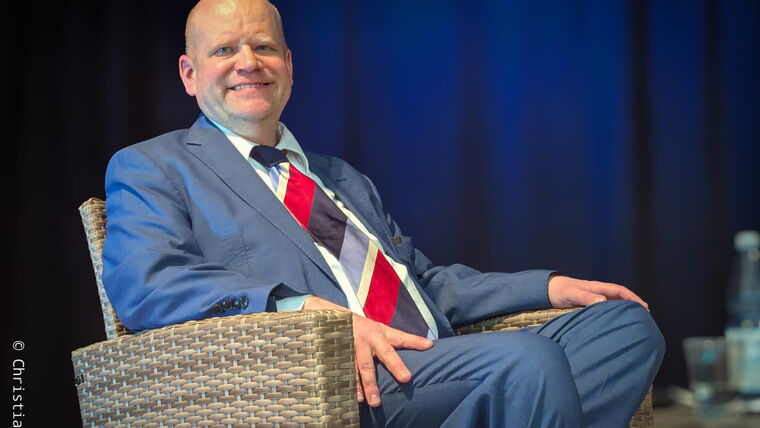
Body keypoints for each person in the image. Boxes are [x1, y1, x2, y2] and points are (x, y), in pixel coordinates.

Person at [102, 0, 665, 426]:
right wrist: (305, 311)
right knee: (526, 361)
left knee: (624, 329)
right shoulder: (154, 166)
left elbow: (423, 285)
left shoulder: (338, 176)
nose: (248, 62)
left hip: (438, 358)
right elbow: (150, 283)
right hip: (330, 378)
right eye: (225, 50)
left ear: (289, 65)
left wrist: (547, 287)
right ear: (189, 73)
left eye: (264, 47)